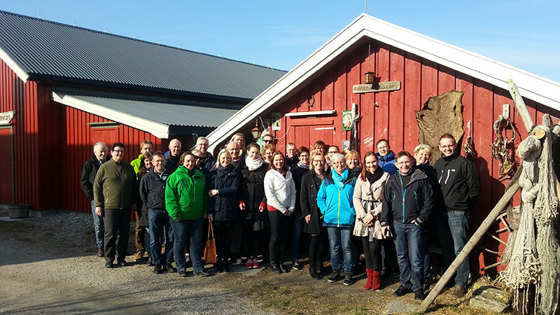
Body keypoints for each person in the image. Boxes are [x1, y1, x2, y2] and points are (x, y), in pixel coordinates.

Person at [380, 151, 434, 300]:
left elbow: (429, 201)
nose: (404, 165)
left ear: (411, 162)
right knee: (401, 256)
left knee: (416, 258)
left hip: (414, 225)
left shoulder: (420, 178)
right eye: (401, 163)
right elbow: (386, 202)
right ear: (396, 165)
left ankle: (418, 287)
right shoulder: (391, 180)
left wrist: (421, 219)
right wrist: (385, 222)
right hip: (397, 224)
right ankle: (405, 283)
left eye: (407, 162)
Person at [434, 134, 480, 298]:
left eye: (450, 145)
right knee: (446, 247)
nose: (447, 148)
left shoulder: (464, 164)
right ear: (440, 147)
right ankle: (448, 279)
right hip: (441, 213)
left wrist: (464, 205)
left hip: (458, 213)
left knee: (460, 248)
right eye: (444, 146)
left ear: (455, 146)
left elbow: (474, 189)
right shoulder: (438, 164)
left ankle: (461, 283)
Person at [165, 152, 211, 277]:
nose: (190, 163)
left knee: (196, 242)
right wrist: (175, 213)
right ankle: (181, 267)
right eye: (188, 161)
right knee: (180, 241)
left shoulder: (200, 175)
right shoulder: (174, 177)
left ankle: (198, 267)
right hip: (181, 216)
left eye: (192, 161)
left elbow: (204, 196)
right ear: (182, 162)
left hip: (197, 215)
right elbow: (170, 197)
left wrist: (205, 211)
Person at [94, 142, 138, 268]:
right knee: (110, 234)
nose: (119, 153)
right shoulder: (105, 168)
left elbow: (134, 187)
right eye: (117, 151)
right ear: (112, 152)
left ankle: (122, 258)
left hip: (125, 207)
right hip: (110, 207)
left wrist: (134, 202)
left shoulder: (128, 168)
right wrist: (98, 204)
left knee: (124, 234)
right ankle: (109, 259)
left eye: (122, 151)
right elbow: (96, 187)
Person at [317, 153, 357, 286]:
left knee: (347, 246)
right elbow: (320, 197)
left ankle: (348, 272)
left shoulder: (352, 179)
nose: (339, 165)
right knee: (334, 247)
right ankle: (336, 270)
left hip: (347, 219)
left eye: (341, 162)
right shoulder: (327, 180)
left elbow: (357, 197)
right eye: (336, 163)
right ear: (332, 165)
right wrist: (324, 209)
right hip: (331, 219)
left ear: (345, 163)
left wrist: (354, 211)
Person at [353, 152, 390, 291]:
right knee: (366, 249)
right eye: (368, 162)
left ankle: (377, 277)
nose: (371, 165)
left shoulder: (386, 176)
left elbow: (387, 199)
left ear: (378, 161)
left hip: (377, 214)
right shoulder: (361, 177)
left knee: (375, 248)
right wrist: (363, 215)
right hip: (363, 214)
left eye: (373, 162)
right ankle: (369, 278)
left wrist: (373, 214)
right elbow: (356, 197)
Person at [208, 149, 242, 272]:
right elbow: (209, 195)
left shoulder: (234, 172)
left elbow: (234, 189)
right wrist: (210, 212)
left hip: (230, 209)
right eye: (223, 158)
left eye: (227, 158)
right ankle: (219, 261)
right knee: (218, 238)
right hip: (217, 210)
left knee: (228, 238)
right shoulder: (213, 174)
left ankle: (226, 261)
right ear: (219, 159)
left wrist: (218, 191)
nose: (225, 160)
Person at [139, 152, 174, 274]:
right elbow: (143, 194)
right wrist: (151, 204)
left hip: (169, 211)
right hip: (154, 211)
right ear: (152, 163)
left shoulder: (170, 175)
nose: (160, 163)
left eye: (162, 161)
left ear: (165, 162)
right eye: (157, 161)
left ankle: (168, 262)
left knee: (170, 238)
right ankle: (157, 262)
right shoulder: (147, 178)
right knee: (154, 239)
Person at [264, 151, 296, 273]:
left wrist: (291, 208)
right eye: (276, 160)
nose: (279, 162)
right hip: (275, 209)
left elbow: (293, 192)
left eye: (281, 159)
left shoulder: (289, 174)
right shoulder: (270, 175)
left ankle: (281, 261)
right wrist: (283, 209)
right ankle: (274, 262)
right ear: (272, 161)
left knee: (284, 237)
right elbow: (270, 195)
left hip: (288, 210)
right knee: (275, 236)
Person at [240, 143, 269, 269]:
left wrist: (264, 201)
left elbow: (268, 188)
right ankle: (248, 257)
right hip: (246, 207)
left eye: (257, 153)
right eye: (252, 152)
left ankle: (255, 256)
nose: (254, 155)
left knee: (257, 233)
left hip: (259, 206)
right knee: (246, 233)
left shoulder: (265, 167)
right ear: (247, 152)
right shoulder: (242, 168)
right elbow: (239, 187)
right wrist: (240, 200)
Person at [414, 144, 437, 290]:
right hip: (410, 214)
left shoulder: (431, 172)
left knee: (423, 248)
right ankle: (413, 277)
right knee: (413, 249)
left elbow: (432, 195)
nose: (423, 157)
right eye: (421, 154)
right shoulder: (410, 170)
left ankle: (425, 277)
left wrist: (424, 215)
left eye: (426, 155)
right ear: (415, 155)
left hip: (424, 215)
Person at [301, 151, 328, 279]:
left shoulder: (328, 176)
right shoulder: (307, 177)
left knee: (323, 239)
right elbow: (303, 197)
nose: (319, 163)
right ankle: (312, 266)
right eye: (316, 161)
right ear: (312, 162)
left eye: (321, 161)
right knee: (314, 239)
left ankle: (320, 264)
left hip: (326, 212)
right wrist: (306, 212)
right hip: (313, 212)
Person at [80, 142, 109, 257]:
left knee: (109, 224)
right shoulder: (89, 164)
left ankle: (109, 246)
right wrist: (92, 196)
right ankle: (100, 247)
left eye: (105, 151)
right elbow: (84, 181)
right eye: (101, 151)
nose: (103, 153)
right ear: (95, 152)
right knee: (98, 224)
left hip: (110, 199)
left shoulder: (111, 162)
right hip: (96, 200)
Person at [289, 146, 310, 270]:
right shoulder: (294, 171)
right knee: (297, 233)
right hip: (298, 207)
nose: (304, 158)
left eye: (306, 156)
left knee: (310, 233)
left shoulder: (313, 169)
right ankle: (295, 258)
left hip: (310, 206)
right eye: (302, 156)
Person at [135, 152, 153, 263]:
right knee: (142, 228)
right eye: (146, 161)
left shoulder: (156, 173)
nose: (148, 163)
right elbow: (138, 192)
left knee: (153, 230)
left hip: (155, 206)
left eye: (150, 160)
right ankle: (141, 250)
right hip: (142, 206)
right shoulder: (139, 175)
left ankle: (152, 253)